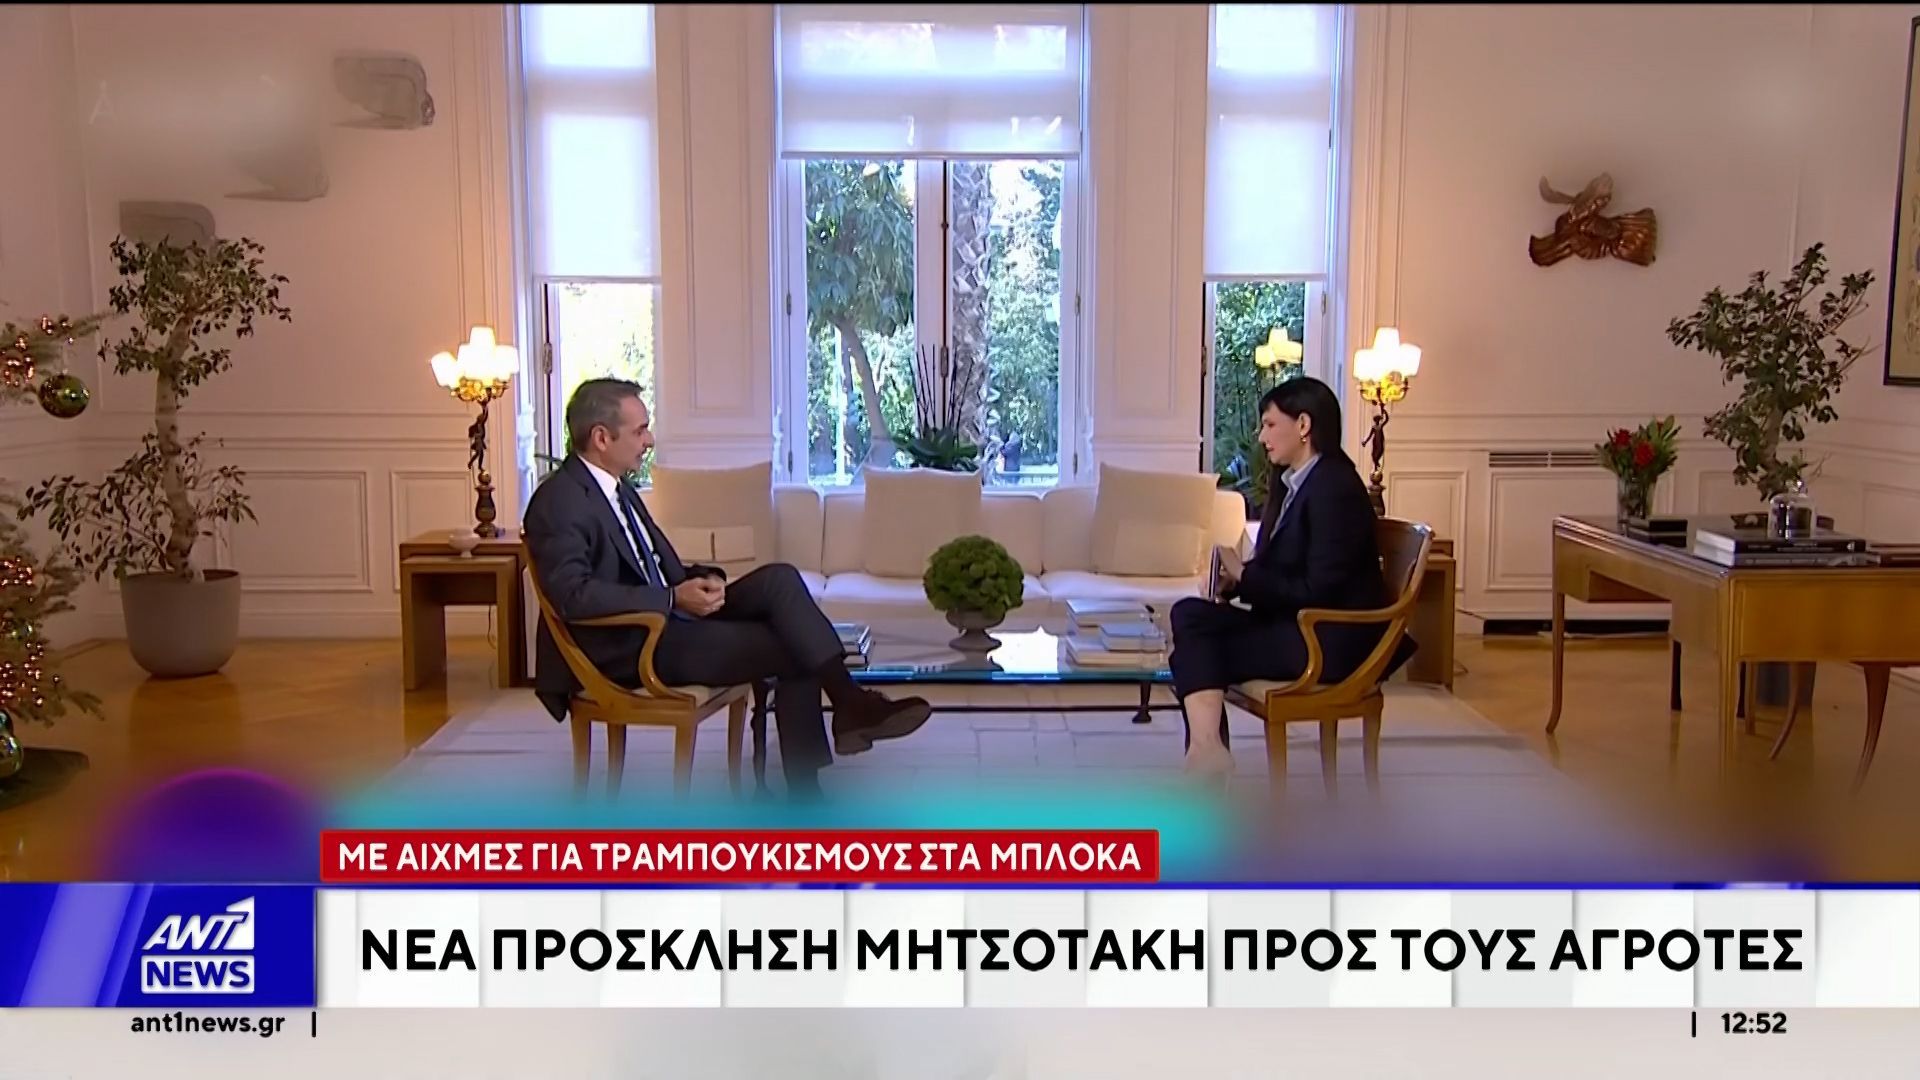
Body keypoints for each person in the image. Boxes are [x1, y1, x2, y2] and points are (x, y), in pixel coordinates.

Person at [524, 378, 932, 798]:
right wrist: (671, 597)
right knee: (791, 643)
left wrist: (702, 579)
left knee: (779, 580)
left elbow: (650, 567)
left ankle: (847, 708)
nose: (650, 440)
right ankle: (821, 761)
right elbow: (572, 596)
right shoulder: (560, 501)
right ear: (601, 438)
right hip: (631, 644)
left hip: (668, 618)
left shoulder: (617, 488)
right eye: (640, 430)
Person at [1167, 375, 1409, 778]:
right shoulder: (1294, 484)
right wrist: (1236, 582)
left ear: (1303, 425)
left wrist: (1245, 574)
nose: (1261, 437)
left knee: (1197, 653)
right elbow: (1287, 571)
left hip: (1326, 640)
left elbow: (1319, 591)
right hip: (1295, 625)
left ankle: (1206, 752)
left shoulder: (1335, 487)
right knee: (1189, 615)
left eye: (1269, 424)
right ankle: (1207, 750)